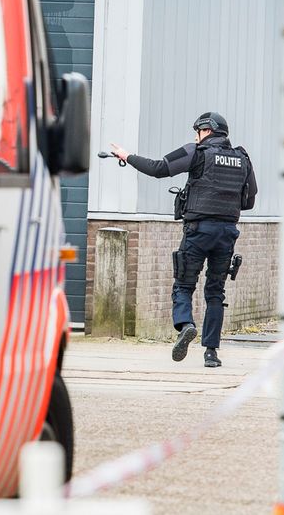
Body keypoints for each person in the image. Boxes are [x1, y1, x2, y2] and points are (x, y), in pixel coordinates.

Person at [110, 112, 257, 368]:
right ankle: (211, 353)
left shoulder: (197, 152)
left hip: (199, 230)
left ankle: (186, 325)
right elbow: (249, 200)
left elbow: (159, 169)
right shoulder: (242, 158)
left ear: (206, 130)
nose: (196, 137)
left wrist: (127, 156)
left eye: (197, 132)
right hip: (227, 232)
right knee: (215, 291)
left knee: (183, 285)